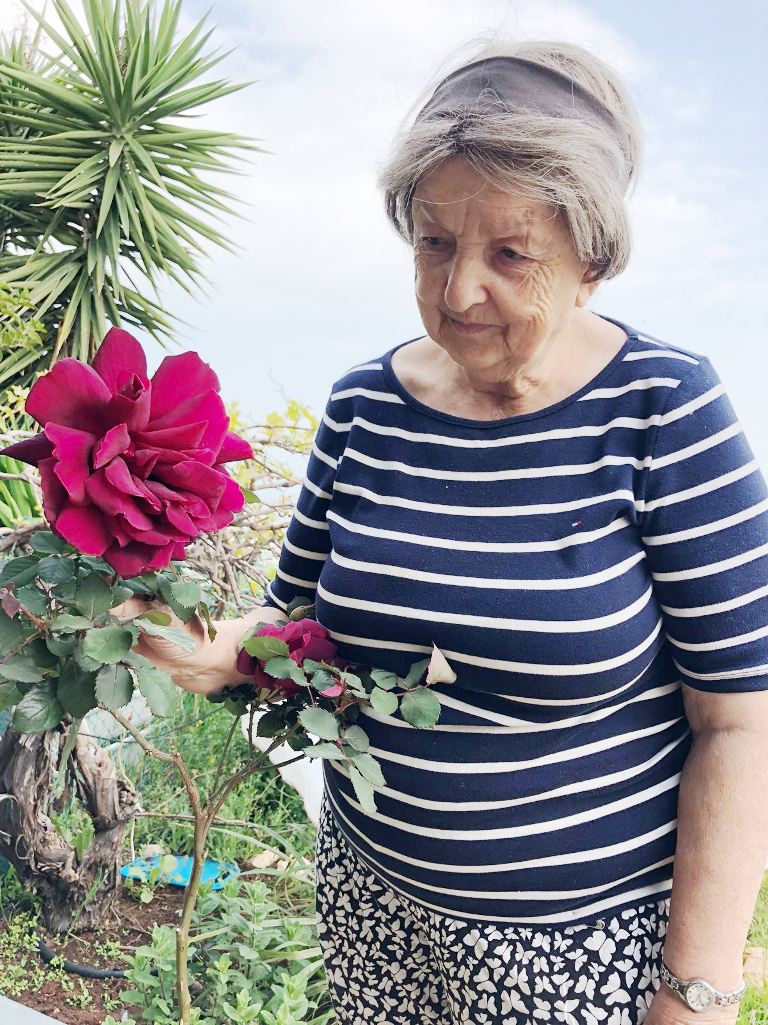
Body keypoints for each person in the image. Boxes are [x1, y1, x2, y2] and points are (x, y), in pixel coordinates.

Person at [129, 39, 768, 1025]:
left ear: (592, 262)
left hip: (582, 943)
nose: (459, 288)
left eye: (511, 253)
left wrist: (697, 991)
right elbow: (292, 626)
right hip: (373, 901)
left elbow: (738, 721)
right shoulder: (364, 406)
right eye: (434, 242)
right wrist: (204, 645)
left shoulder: (664, 409)